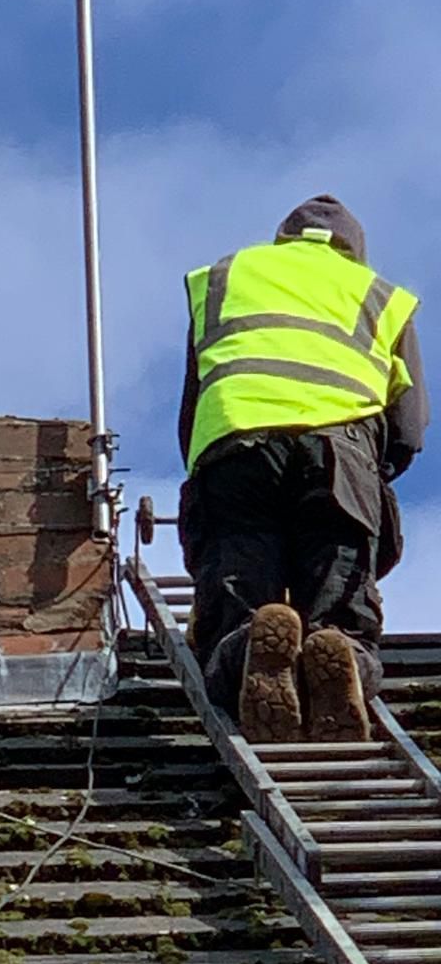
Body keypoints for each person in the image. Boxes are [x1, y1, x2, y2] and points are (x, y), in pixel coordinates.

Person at [177, 196, 428, 743]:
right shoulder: (380, 296)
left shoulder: (224, 278)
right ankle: (338, 657)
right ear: (354, 250)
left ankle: (249, 652)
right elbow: (410, 426)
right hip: (340, 455)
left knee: (237, 580)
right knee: (339, 587)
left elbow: (194, 401)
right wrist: (377, 473)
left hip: (235, 445)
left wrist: (207, 469)